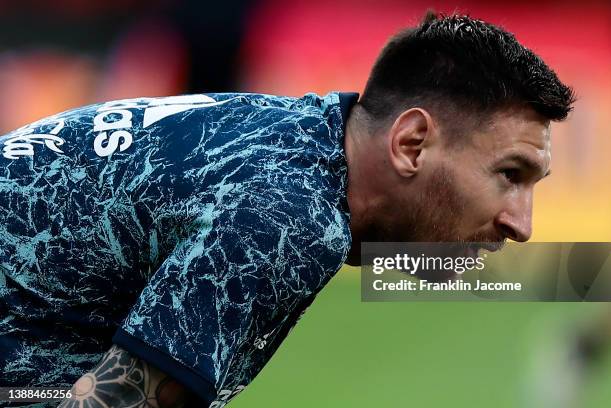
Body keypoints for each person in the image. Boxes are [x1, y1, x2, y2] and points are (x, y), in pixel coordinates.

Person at [0, 11, 574, 408]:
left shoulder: (311, 136)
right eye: (509, 175)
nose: (521, 225)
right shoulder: (288, 220)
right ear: (411, 144)